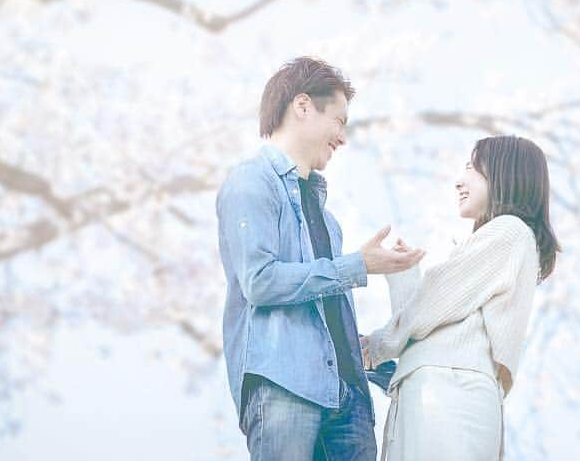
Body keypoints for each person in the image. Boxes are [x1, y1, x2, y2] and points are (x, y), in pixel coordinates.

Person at [216, 57, 425, 460]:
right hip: (285, 389)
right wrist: (358, 265)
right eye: (339, 120)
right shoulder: (251, 181)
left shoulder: (327, 221)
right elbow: (259, 281)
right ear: (303, 106)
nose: (343, 137)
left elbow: (325, 314)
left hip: (350, 402)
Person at [361, 135, 560, 461]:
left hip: (448, 393)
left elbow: (428, 308)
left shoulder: (509, 231)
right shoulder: (504, 242)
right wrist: (403, 278)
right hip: (436, 389)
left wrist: (374, 347)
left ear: (503, 174)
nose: (458, 181)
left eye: (471, 167)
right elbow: (421, 325)